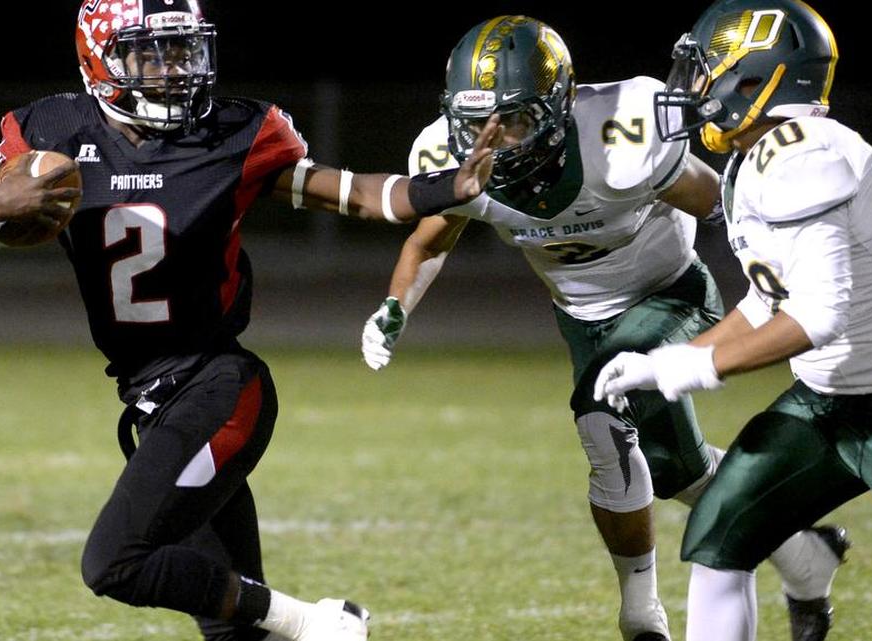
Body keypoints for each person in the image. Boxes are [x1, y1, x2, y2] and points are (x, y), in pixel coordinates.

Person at [0, 2, 497, 640]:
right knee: (229, 631)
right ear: (101, 59)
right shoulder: (53, 133)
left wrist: (449, 187)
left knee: (114, 561)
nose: (176, 70)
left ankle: (317, 623)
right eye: (153, 53)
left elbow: (362, 196)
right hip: (155, 400)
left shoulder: (232, 136)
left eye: (185, 50)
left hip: (220, 391)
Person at [361, 15, 847, 641]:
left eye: (515, 120)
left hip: (670, 295)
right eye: (479, 123)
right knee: (678, 471)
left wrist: (803, 264)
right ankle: (803, 552)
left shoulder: (621, 132)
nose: (496, 140)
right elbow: (430, 242)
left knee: (599, 416)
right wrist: (393, 307)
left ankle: (641, 613)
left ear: (560, 105)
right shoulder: (451, 156)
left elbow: (729, 205)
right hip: (582, 319)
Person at [594, 0, 872, 639]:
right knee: (719, 535)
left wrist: (698, 363)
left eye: (707, 69)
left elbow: (818, 314)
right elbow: (768, 300)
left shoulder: (802, 154)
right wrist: (662, 364)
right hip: (830, 405)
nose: (694, 86)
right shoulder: (764, 155)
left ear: (756, 76)